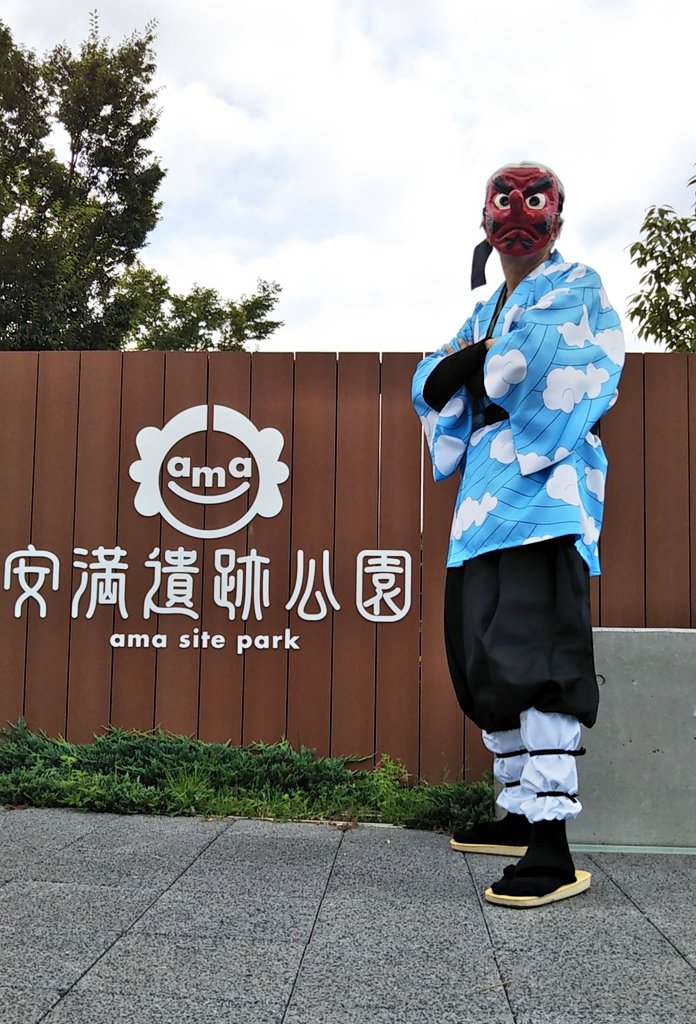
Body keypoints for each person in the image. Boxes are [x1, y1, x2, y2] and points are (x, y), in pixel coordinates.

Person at [411, 162, 624, 908]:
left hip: (546, 494)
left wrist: (475, 368)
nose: (518, 216)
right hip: (481, 506)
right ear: (485, 221)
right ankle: (515, 813)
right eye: (504, 202)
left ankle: (551, 844)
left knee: (538, 658)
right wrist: (472, 367)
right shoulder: (484, 309)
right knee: (484, 659)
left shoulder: (577, 285)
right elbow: (430, 380)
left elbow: (526, 363)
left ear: (556, 220)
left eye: (534, 202)